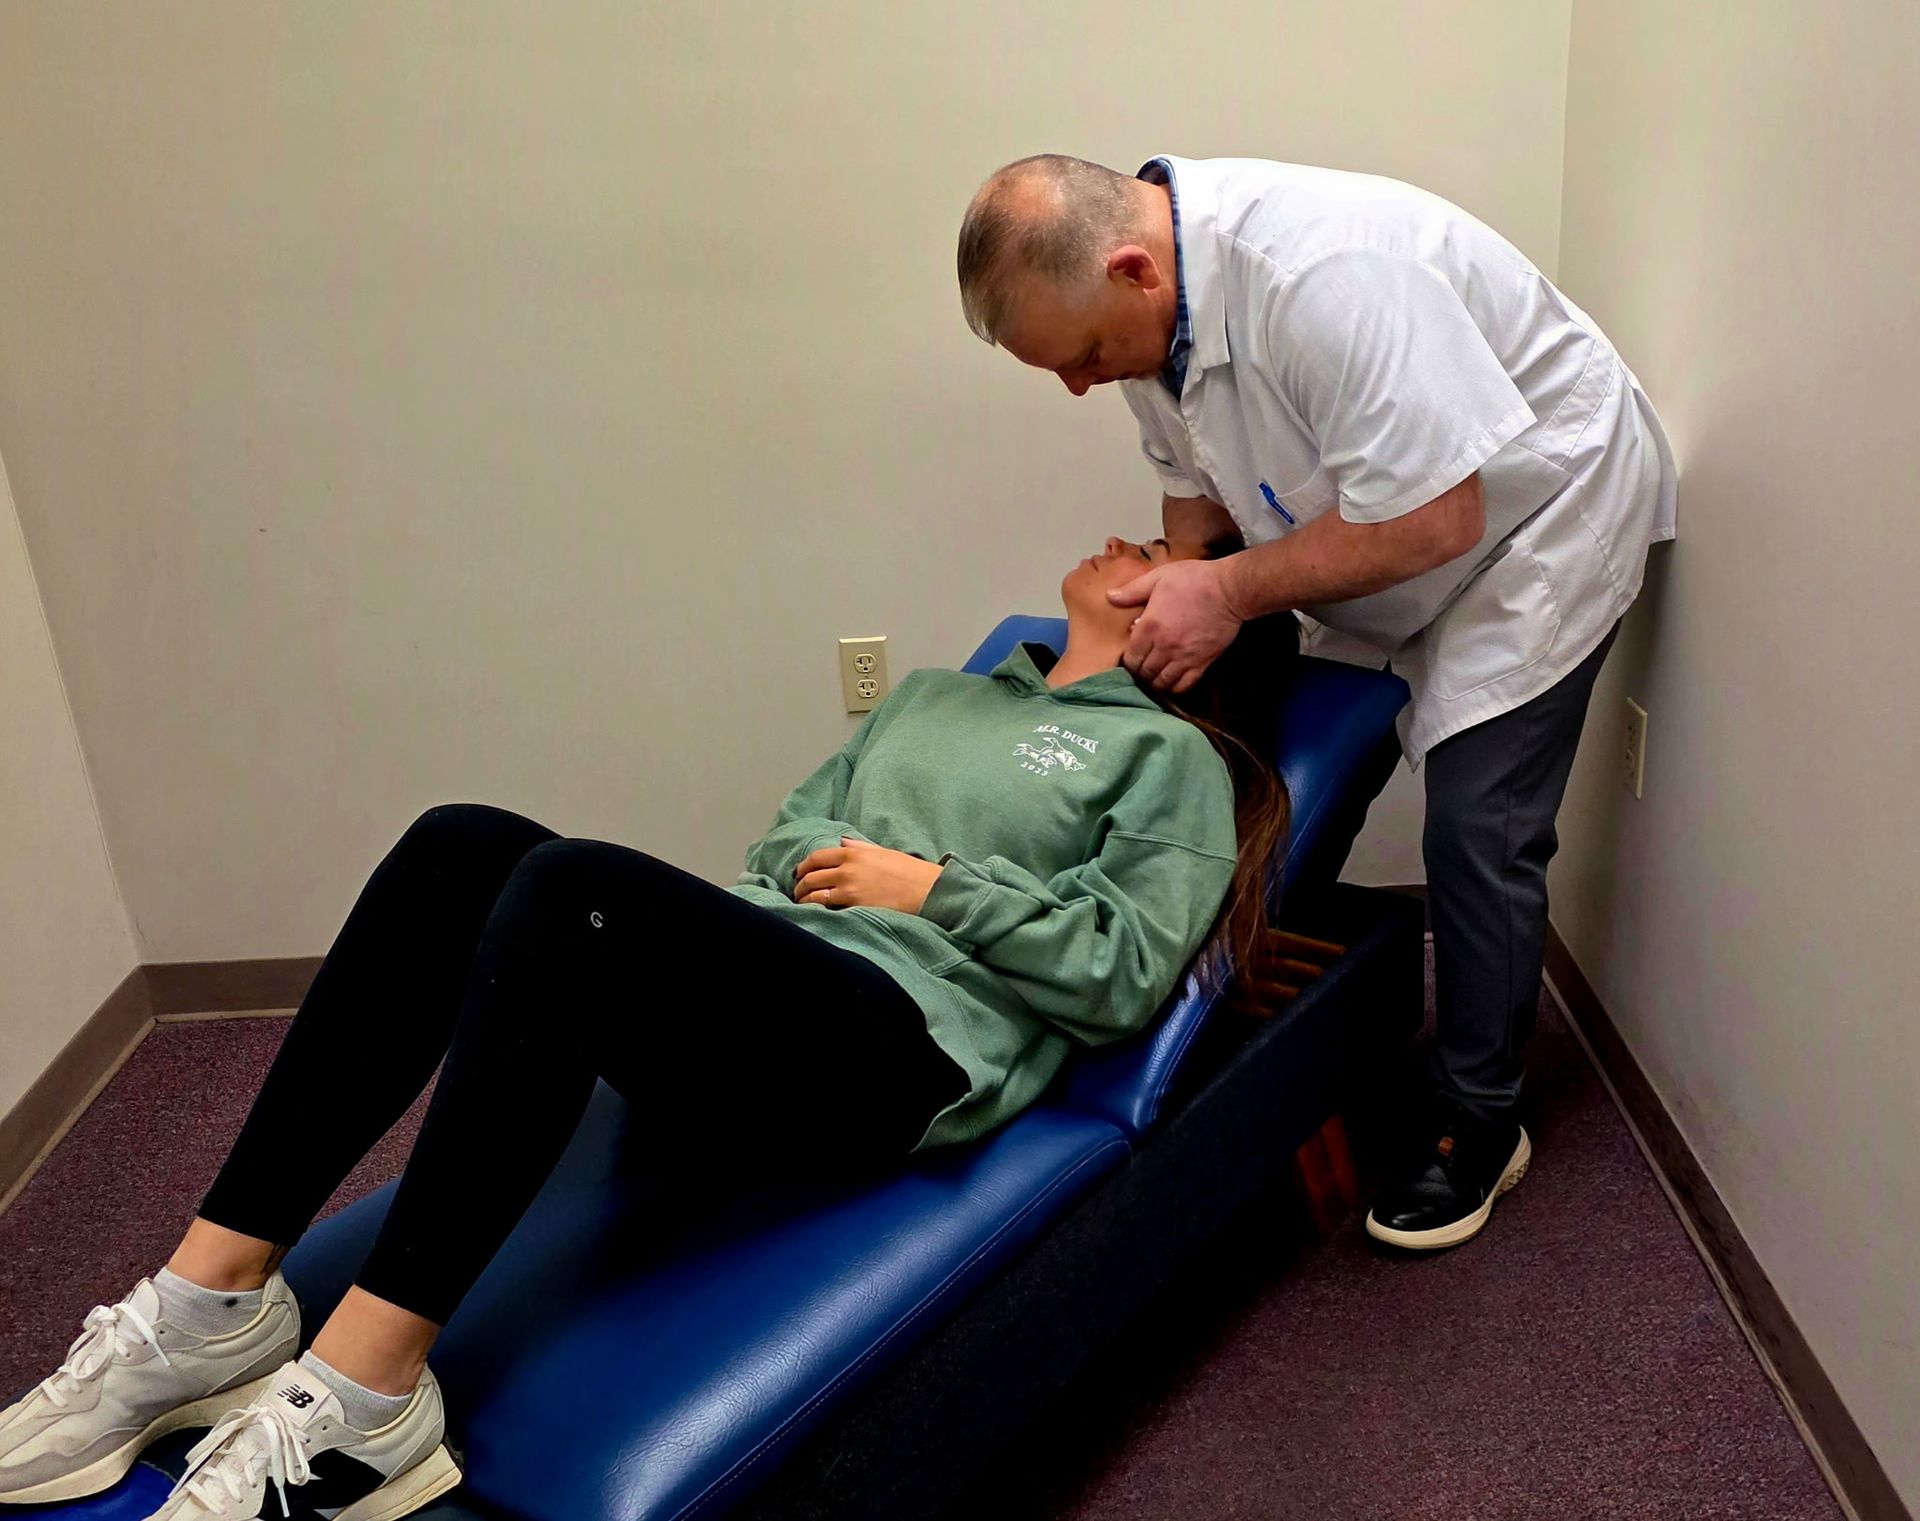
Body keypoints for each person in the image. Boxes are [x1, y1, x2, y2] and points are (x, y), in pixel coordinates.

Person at [0, 536, 1290, 1521]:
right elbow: (788, 836)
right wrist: (831, 874)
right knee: (463, 848)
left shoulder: (1166, 758)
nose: (1128, 542)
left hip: (902, 1053)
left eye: (1159, 551)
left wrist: (930, 887)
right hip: (782, 992)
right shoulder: (938, 699)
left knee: (576, 892)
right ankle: (207, 1302)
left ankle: (362, 1400)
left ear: (1182, 631)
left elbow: (1124, 971)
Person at [957, 152, 1678, 1252]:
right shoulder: (1152, 320)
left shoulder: (1325, 275)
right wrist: (1188, 618)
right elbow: (1193, 491)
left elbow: (1440, 518)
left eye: (1087, 356)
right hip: (1395, 517)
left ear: (1135, 270)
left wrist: (1229, 591)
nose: (1080, 383)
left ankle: (1481, 1125)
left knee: (1479, 823)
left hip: (1539, 520)